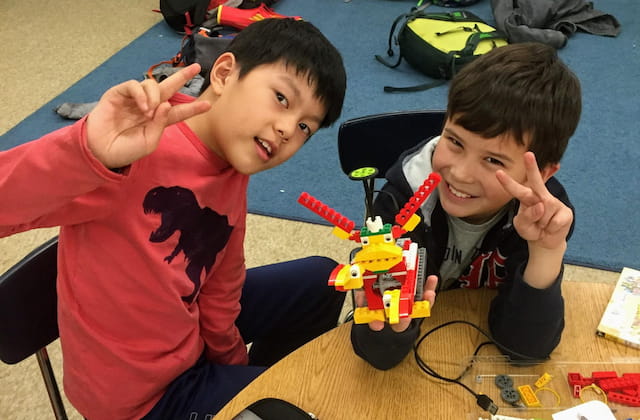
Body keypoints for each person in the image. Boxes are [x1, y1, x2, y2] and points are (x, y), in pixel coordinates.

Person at [0, 18, 347, 420]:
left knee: (325, 279)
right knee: (300, 403)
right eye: (282, 99)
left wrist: (242, 372)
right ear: (223, 73)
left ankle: (266, 384)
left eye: (306, 126)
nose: (289, 129)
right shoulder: (135, 149)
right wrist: (85, 152)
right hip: (140, 398)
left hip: (189, 337)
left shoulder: (233, 160)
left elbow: (220, 281)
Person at [350, 42, 581, 370]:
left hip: (475, 346)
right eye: (455, 141)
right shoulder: (401, 200)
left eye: (492, 160)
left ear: (540, 174)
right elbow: (377, 355)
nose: (459, 173)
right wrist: (388, 330)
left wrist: (546, 253)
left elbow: (525, 350)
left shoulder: (543, 218)